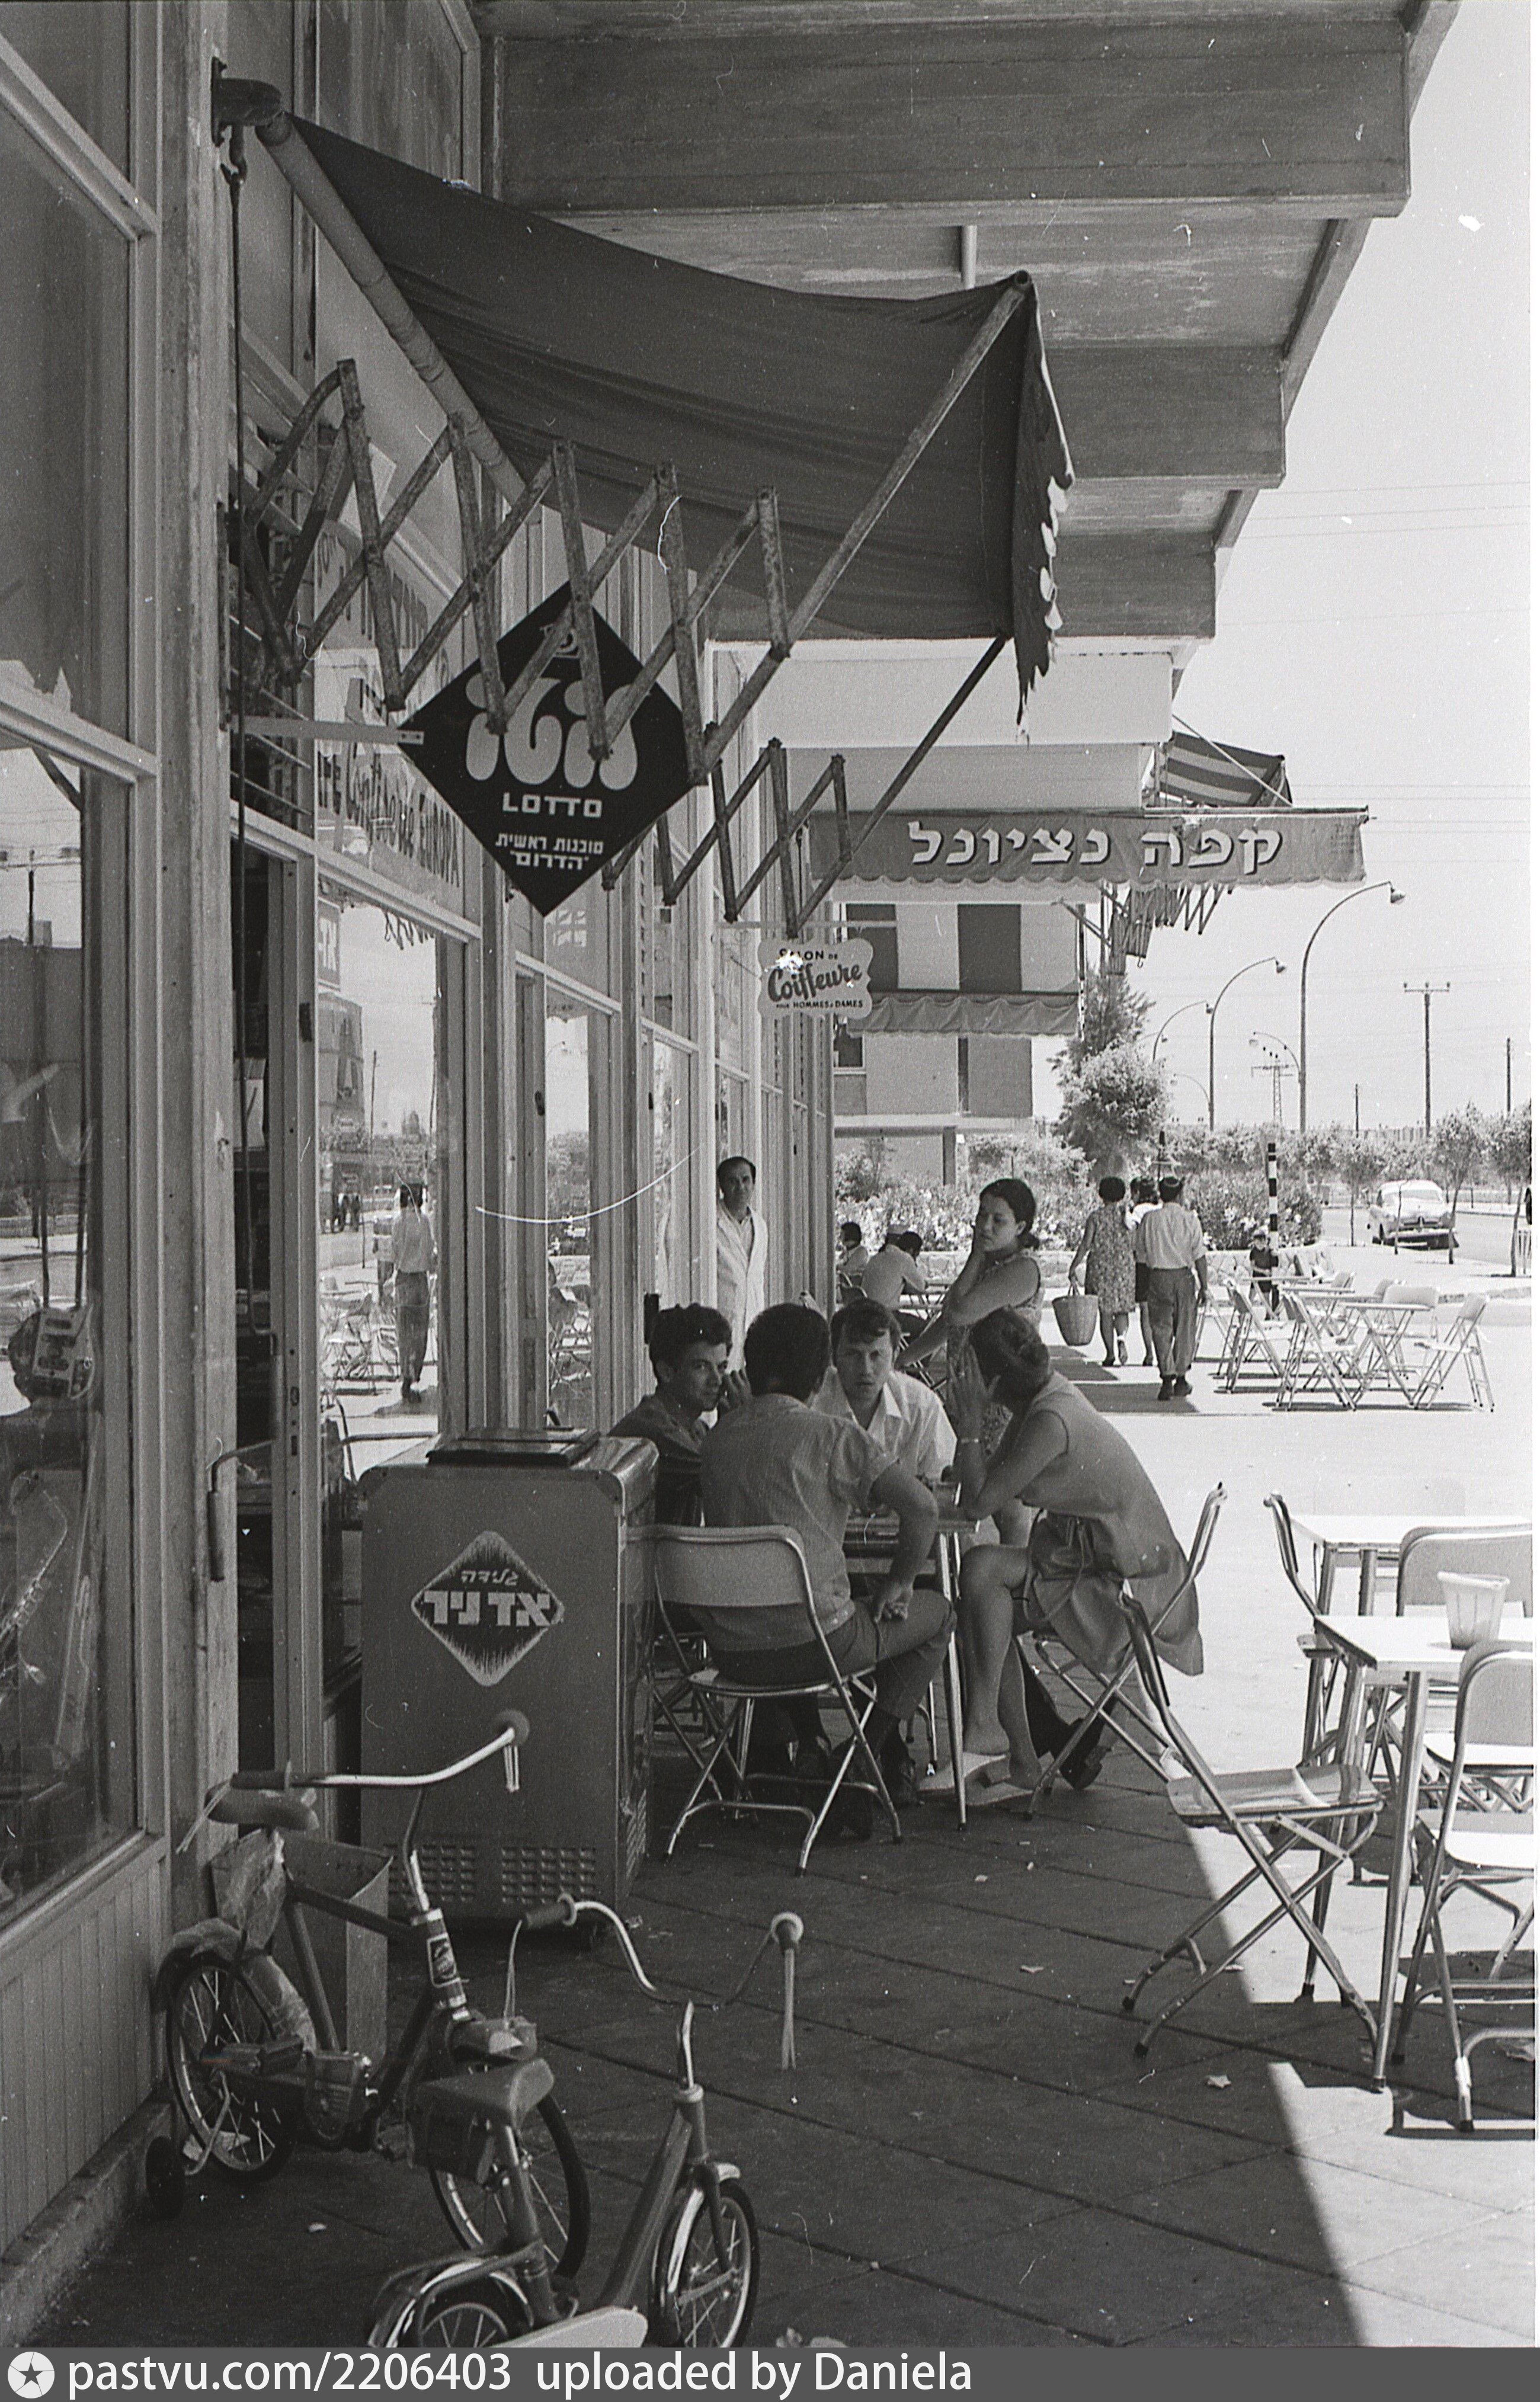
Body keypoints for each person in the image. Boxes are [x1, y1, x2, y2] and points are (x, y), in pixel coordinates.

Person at [699, 1303, 953, 1810]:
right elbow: (923, 1509)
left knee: (806, 1604)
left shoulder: (718, 1438)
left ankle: (812, 1744)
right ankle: (865, 1752)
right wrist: (901, 1581)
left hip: (730, 1649)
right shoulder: (830, 1435)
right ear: (822, 1375)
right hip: (817, 1643)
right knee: (938, 1613)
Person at [949, 1312, 1199, 1801]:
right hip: (1090, 1562)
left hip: (1131, 1586)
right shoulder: (1044, 1398)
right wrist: (971, 1443)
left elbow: (977, 1504)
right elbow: (982, 1487)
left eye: (966, 1370)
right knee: (979, 1602)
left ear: (990, 1381)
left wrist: (969, 1427)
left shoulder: (1049, 1420)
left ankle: (993, 1734)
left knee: (980, 1582)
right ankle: (1008, 1748)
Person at [899, 1179, 1042, 1542]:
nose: (985, 1227)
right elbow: (947, 1324)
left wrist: (976, 1255)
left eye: (998, 1220)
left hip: (1004, 1398)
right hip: (972, 1393)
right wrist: (904, 1359)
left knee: (1007, 1502)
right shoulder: (989, 1265)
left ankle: (1017, 1573)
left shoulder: (1022, 1269)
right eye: (981, 1216)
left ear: (1021, 1228)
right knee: (968, 1487)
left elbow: (959, 1311)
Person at [610, 1304, 744, 1522]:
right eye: (701, 1367)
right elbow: (726, 1486)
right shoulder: (654, 1429)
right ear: (666, 1372)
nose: (717, 1380)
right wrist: (738, 1422)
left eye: (721, 1367)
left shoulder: (697, 1429)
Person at [815, 1300, 956, 1485]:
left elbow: (942, 1483)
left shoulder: (923, 1407)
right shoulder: (813, 1402)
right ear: (834, 1357)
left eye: (876, 1356)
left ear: (894, 1356)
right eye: (853, 1354)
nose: (866, 1369)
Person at [1137, 1174, 1209, 1401]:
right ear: (1180, 1195)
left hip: (1158, 1277)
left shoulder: (1150, 1219)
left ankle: (1166, 1378)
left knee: (1161, 1328)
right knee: (1185, 1327)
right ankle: (1181, 1377)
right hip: (1183, 1278)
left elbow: (1140, 1253)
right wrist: (1205, 1286)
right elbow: (1199, 1255)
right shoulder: (1190, 1219)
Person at [1070, 1176, 1137, 1367]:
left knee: (1105, 1312)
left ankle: (1110, 1354)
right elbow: (1134, 1242)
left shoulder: (1096, 1218)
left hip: (1101, 1268)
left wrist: (1074, 1265)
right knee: (1122, 1309)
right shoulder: (1127, 1216)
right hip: (1124, 1268)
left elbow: (1086, 1245)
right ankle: (1121, 1337)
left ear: (1102, 1195)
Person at [715, 1157, 768, 1365]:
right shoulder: (711, 1223)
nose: (741, 1187)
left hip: (752, 1321)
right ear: (722, 1186)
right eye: (733, 1181)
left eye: (746, 1180)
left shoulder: (760, 1226)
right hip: (721, 1320)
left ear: (753, 1184)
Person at [389, 1183, 436, 1406]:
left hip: (403, 1280)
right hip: (419, 1280)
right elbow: (429, 1249)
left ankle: (406, 1375)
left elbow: (394, 1251)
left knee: (404, 1331)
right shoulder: (424, 1222)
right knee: (420, 1330)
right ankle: (415, 1372)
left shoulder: (398, 1222)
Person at [862, 1228, 929, 1327]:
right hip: (886, 1315)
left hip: (866, 1314)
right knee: (926, 1327)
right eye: (916, 1255)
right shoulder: (905, 1259)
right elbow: (921, 1287)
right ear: (911, 1251)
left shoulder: (876, 1258)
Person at [1127, 1177, 1158, 1366]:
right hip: (1160, 1262)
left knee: (1145, 1310)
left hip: (1143, 1263)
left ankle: (1149, 1353)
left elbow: (1131, 1231)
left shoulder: (1138, 1211)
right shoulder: (1159, 1208)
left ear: (1137, 1192)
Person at [835, 1222, 872, 1305]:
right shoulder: (846, 1252)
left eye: (842, 1234)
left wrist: (837, 1267)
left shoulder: (861, 1252)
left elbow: (849, 1269)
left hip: (857, 1288)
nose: (840, 1237)